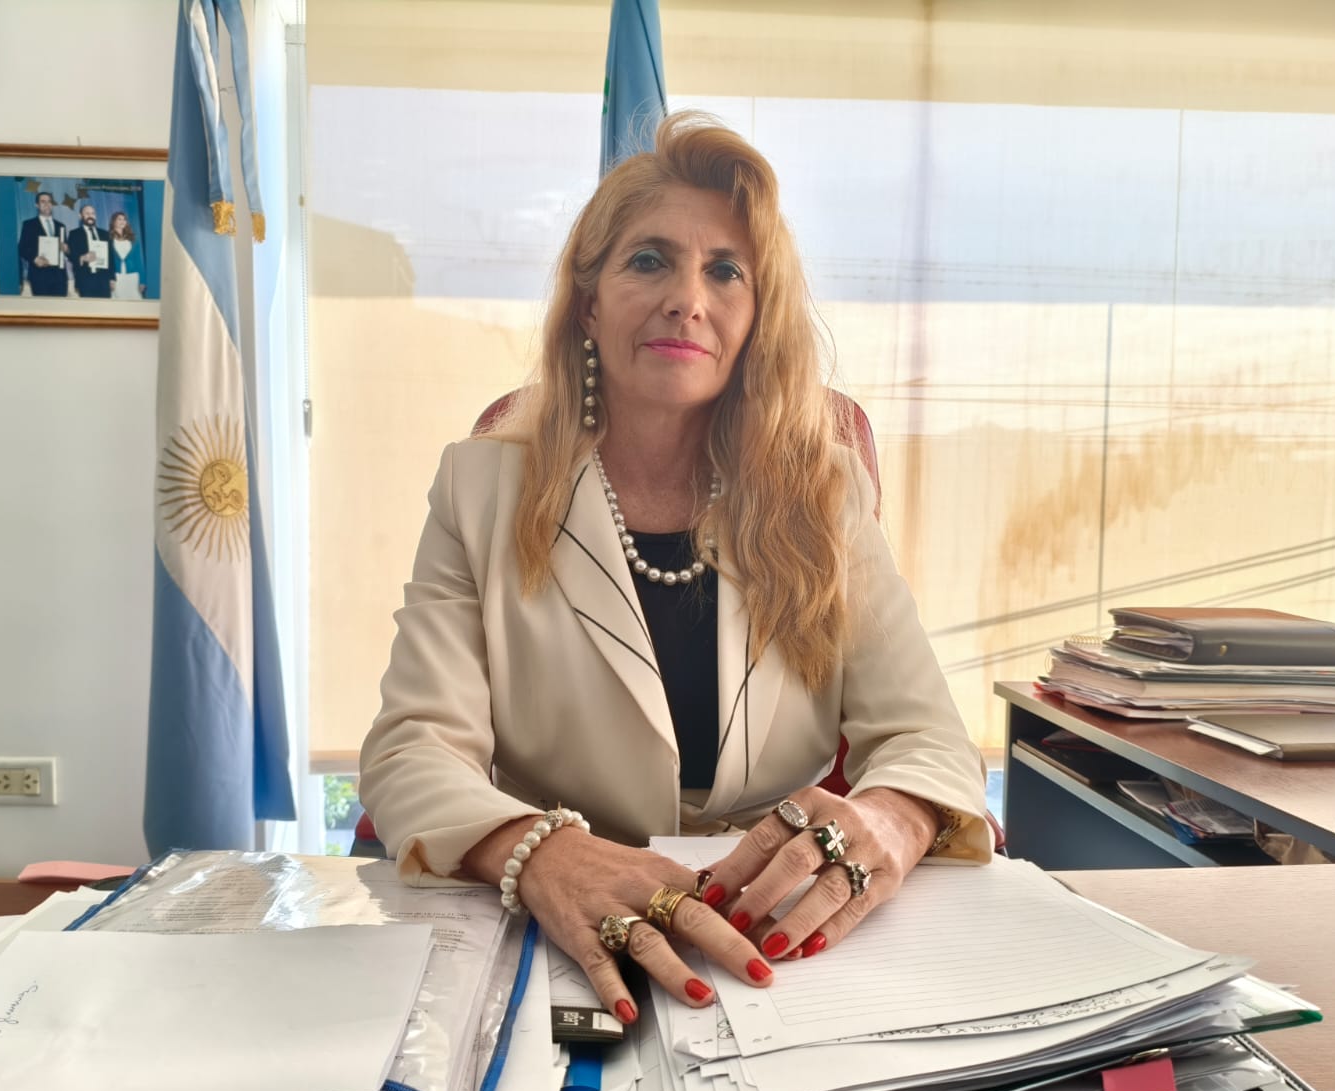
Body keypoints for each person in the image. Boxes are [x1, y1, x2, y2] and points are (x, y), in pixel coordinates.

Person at [357, 113, 991, 1026]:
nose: (687, 300)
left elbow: (925, 734)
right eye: (649, 261)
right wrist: (539, 853)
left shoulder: (825, 487)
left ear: (757, 314)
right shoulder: (481, 484)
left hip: (779, 931)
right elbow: (413, 745)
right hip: (560, 918)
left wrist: (894, 816)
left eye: (726, 271)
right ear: (589, 302)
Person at [16, 192, 68, 297]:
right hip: (39, 276)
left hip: (60, 277)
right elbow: (22, 248)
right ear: (37, 205)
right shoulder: (28, 224)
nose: (47, 204)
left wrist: (67, 249)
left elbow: (66, 250)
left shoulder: (61, 226)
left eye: (49, 202)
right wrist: (34, 259)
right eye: (43, 202)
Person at [67, 204, 113, 299]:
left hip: (103, 279)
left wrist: (112, 278)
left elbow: (110, 257)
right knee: (88, 306)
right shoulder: (74, 234)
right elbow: (70, 254)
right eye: (87, 213)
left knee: (105, 307)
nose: (90, 216)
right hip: (85, 279)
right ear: (80, 216)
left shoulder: (105, 234)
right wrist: (82, 258)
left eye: (92, 213)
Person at [107, 212, 146, 300]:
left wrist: (142, 281)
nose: (122, 221)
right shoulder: (108, 238)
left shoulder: (133, 239)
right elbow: (108, 261)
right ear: (113, 222)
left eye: (124, 219)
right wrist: (110, 278)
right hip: (117, 276)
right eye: (119, 219)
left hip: (133, 277)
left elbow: (139, 261)